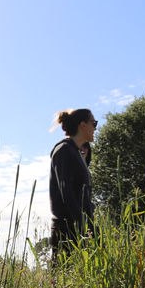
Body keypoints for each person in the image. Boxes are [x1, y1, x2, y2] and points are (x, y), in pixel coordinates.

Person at [49, 109, 96, 259]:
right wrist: (82, 227)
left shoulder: (76, 152)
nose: (95, 127)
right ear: (83, 125)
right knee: (63, 280)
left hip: (80, 229)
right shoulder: (64, 150)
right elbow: (66, 192)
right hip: (67, 231)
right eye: (93, 123)